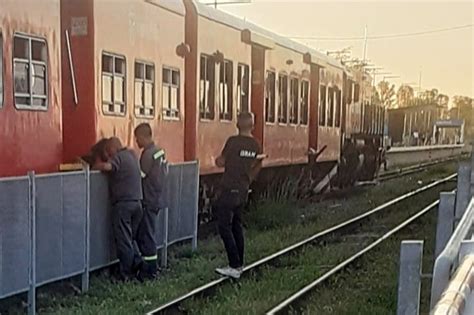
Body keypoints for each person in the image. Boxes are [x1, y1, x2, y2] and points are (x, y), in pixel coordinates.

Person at [214, 112, 265, 279]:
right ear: (253, 125)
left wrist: (219, 160)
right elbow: (258, 163)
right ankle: (239, 264)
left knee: (224, 226)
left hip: (229, 187)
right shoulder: (256, 145)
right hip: (243, 188)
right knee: (237, 225)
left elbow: (221, 161)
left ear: (237, 125)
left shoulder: (233, 142)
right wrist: (249, 178)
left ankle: (234, 265)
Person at [95, 137, 144, 281]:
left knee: (124, 241)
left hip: (124, 205)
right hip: (137, 203)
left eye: (107, 151)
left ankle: (125, 274)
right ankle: (138, 264)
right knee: (130, 238)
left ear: (112, 148)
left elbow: (107, 167)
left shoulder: (118, 158)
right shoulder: (132, 155)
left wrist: (96, 165)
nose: (107, 154)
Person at [134, 123, 168, 280]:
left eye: (137, 138)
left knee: (147, 235)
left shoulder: (147, 154)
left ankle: (150, 271)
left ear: (144, 136)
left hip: (148, 199)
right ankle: (151, 268)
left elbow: (140, 176)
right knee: (148, 233)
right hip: (157, 197)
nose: (136, 141)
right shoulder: (159, 151)